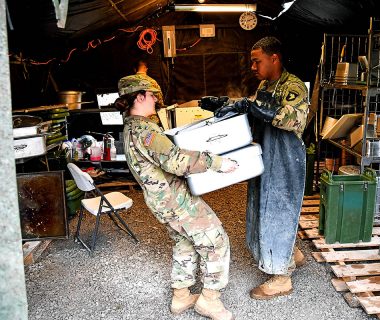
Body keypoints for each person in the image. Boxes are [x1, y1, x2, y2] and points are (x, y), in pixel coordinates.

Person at [115, 74, 238, 320]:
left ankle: (181, 296)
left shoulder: (130, 128)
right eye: (152, 96)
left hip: (161, 200)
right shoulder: (144, 131)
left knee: (185, 242)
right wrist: (217, 162)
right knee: (215, 241)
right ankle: (210, 301)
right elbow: (175, 161)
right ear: (140, 96)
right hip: (175, 200)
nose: (155, 101)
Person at [200, 36, 309, 300]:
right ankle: (290, 250)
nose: (252, 66)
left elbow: (291, 118)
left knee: (278, 207)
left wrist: (252, 106)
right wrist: (226, 104)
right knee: (263, 204)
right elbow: (255, 108)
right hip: (266, 152)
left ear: (274, 59)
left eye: (256, 61)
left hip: (284, 155)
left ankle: (282, 277)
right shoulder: (265, 84)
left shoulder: (293, 86)